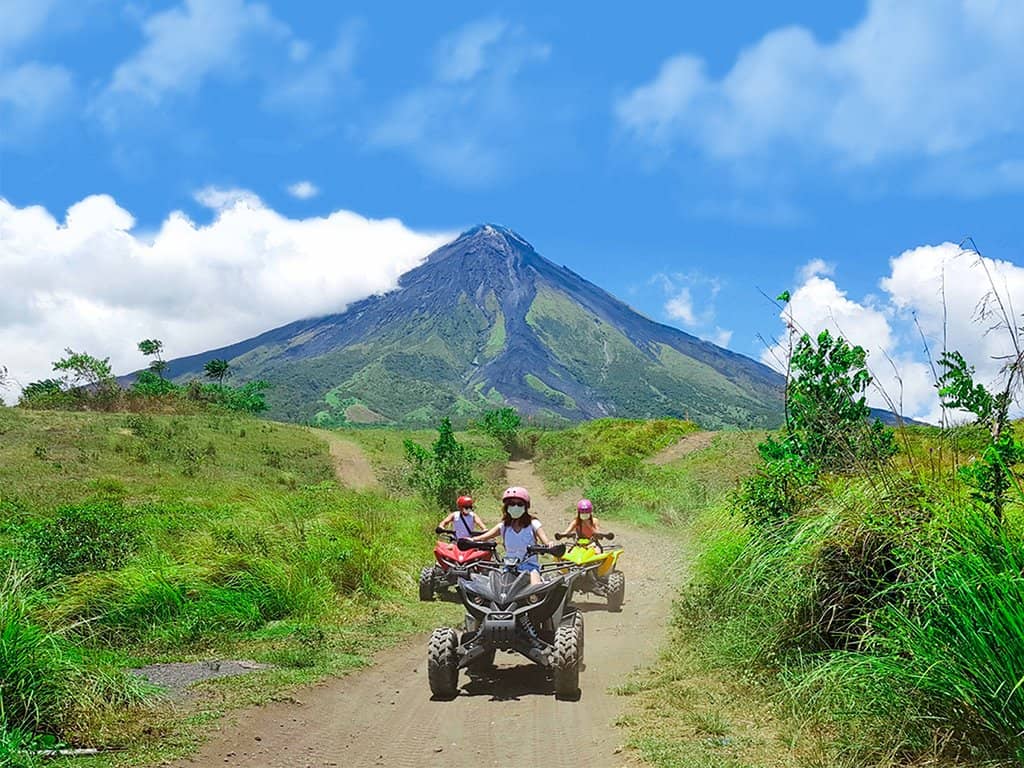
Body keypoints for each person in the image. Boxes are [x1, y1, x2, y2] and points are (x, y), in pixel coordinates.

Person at [472, 486, 552, 584]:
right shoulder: (504, 526)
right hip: (509, 568)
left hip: (530, 568)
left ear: (526, 506)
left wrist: (549, 545)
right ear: (506, 507)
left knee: (536, 587)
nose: (515, 507)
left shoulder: (533, 524)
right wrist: (471, 540)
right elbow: (484, 537)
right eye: (511, 504)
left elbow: (546, 541)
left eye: (519, 504)